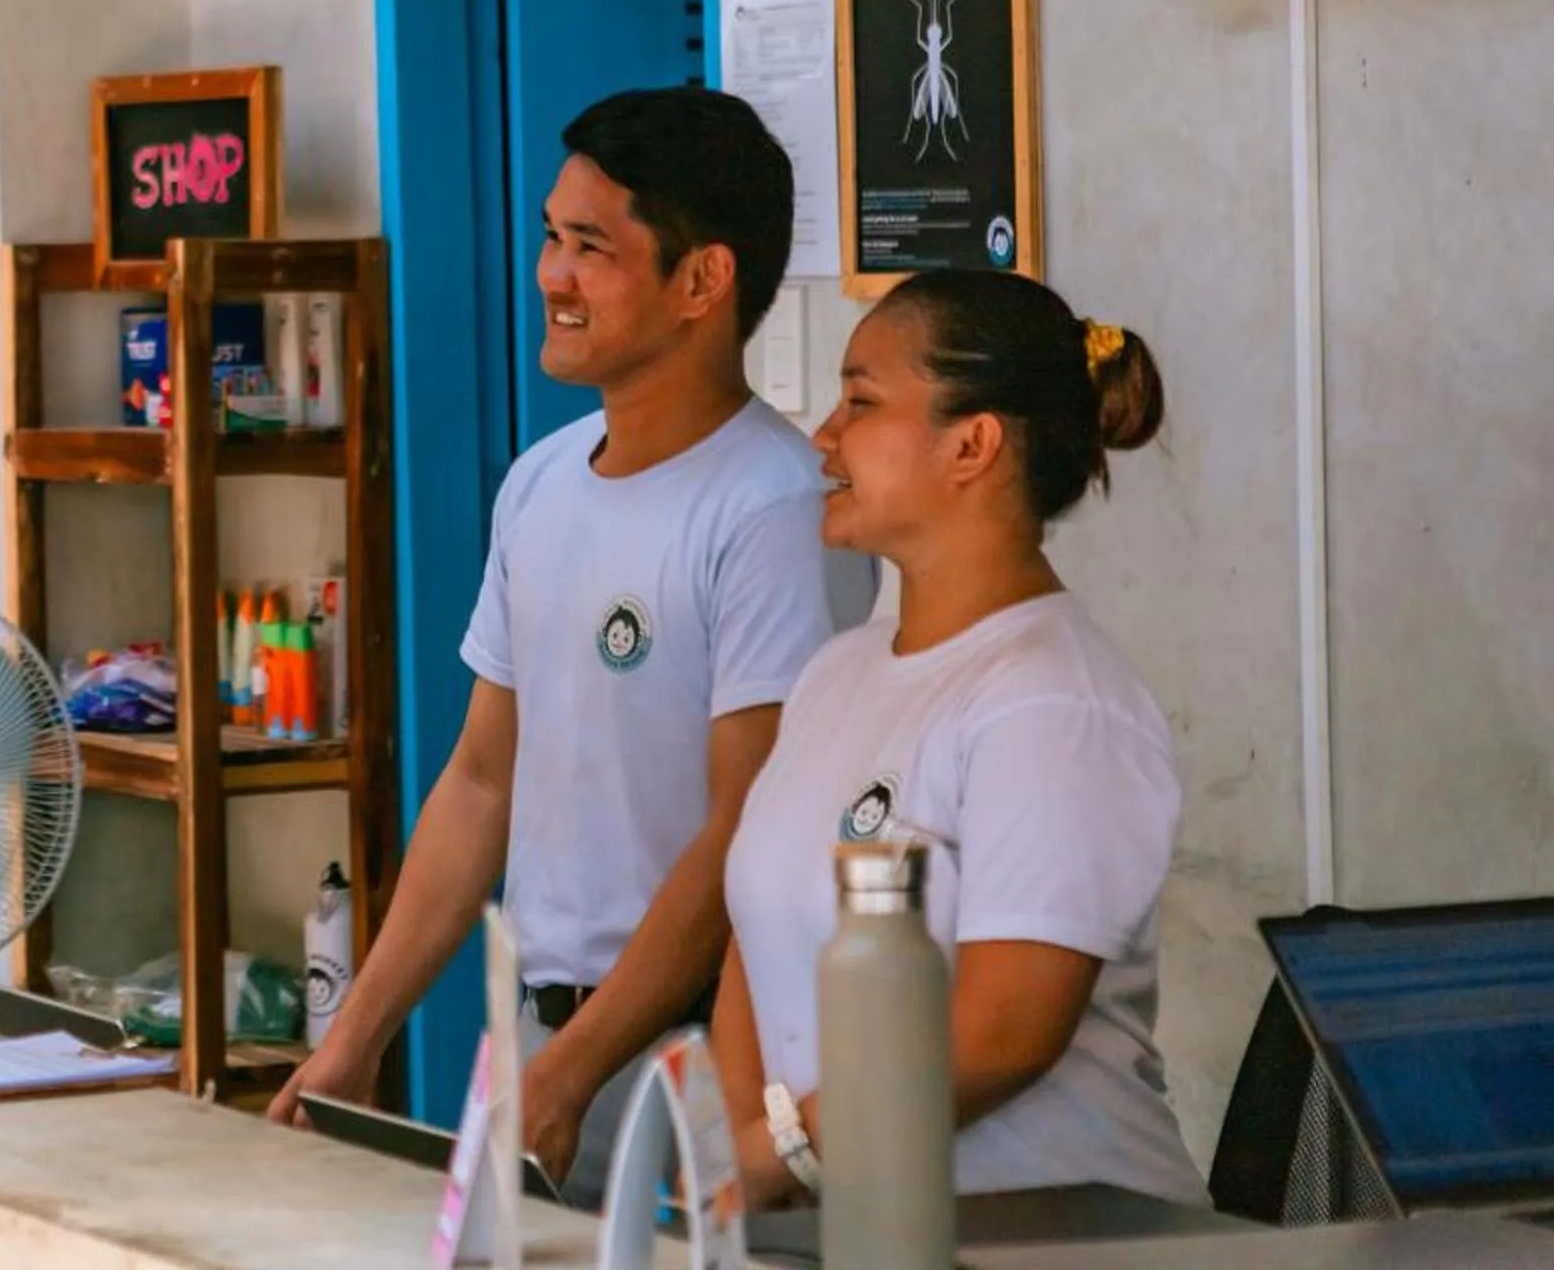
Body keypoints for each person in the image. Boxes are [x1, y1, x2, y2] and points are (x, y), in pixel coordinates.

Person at [270, 86, 875, 1198]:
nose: (551, 272)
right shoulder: (541, 481)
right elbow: (480, 781)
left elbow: (746, 827)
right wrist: (356, 1037)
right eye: (552, 235)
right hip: (542, 1049)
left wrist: (579, 1067)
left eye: (590, 245)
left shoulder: (774, 507)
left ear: (703, 279)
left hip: (699, 1060)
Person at [713, 271, 1203, 1206]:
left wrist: (781, 1159)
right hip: (859, 1228)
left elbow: (1001, 1031)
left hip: (1060, 1233)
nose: (823, 436)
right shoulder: (838, 672)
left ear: (972, 445)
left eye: (860, 401)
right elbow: (754, 935)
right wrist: (751, 1152)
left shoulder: (1054, 700)